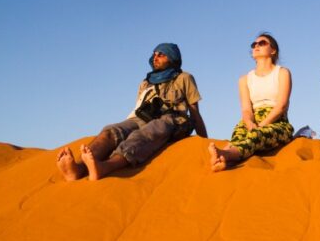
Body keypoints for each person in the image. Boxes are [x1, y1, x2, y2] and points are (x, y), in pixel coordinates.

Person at [55, 43, 207, 181]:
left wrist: (204, 144)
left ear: (172, 58)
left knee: (141, 135)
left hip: (171, 120)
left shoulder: (184, 78)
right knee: (110, 131)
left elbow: (195, 112)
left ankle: (104, 167)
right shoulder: (146, 83)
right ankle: (78, 169)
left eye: (161, 54)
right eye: (154, 55)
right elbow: (137, 109)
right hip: (141, 118)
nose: (156, 58)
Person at [209, 34, 294, 171]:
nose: (256, 46)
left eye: (262, 43)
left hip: (277, 121)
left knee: (255, 136)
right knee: (238, 135)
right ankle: (220, 160)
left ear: (273, 50)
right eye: (254, 44)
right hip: (252, 119)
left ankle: (224, 155)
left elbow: (281, 106)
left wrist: (260, 126)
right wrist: (249, 123)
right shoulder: (244, 79)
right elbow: (246, 109)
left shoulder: (282, 72)